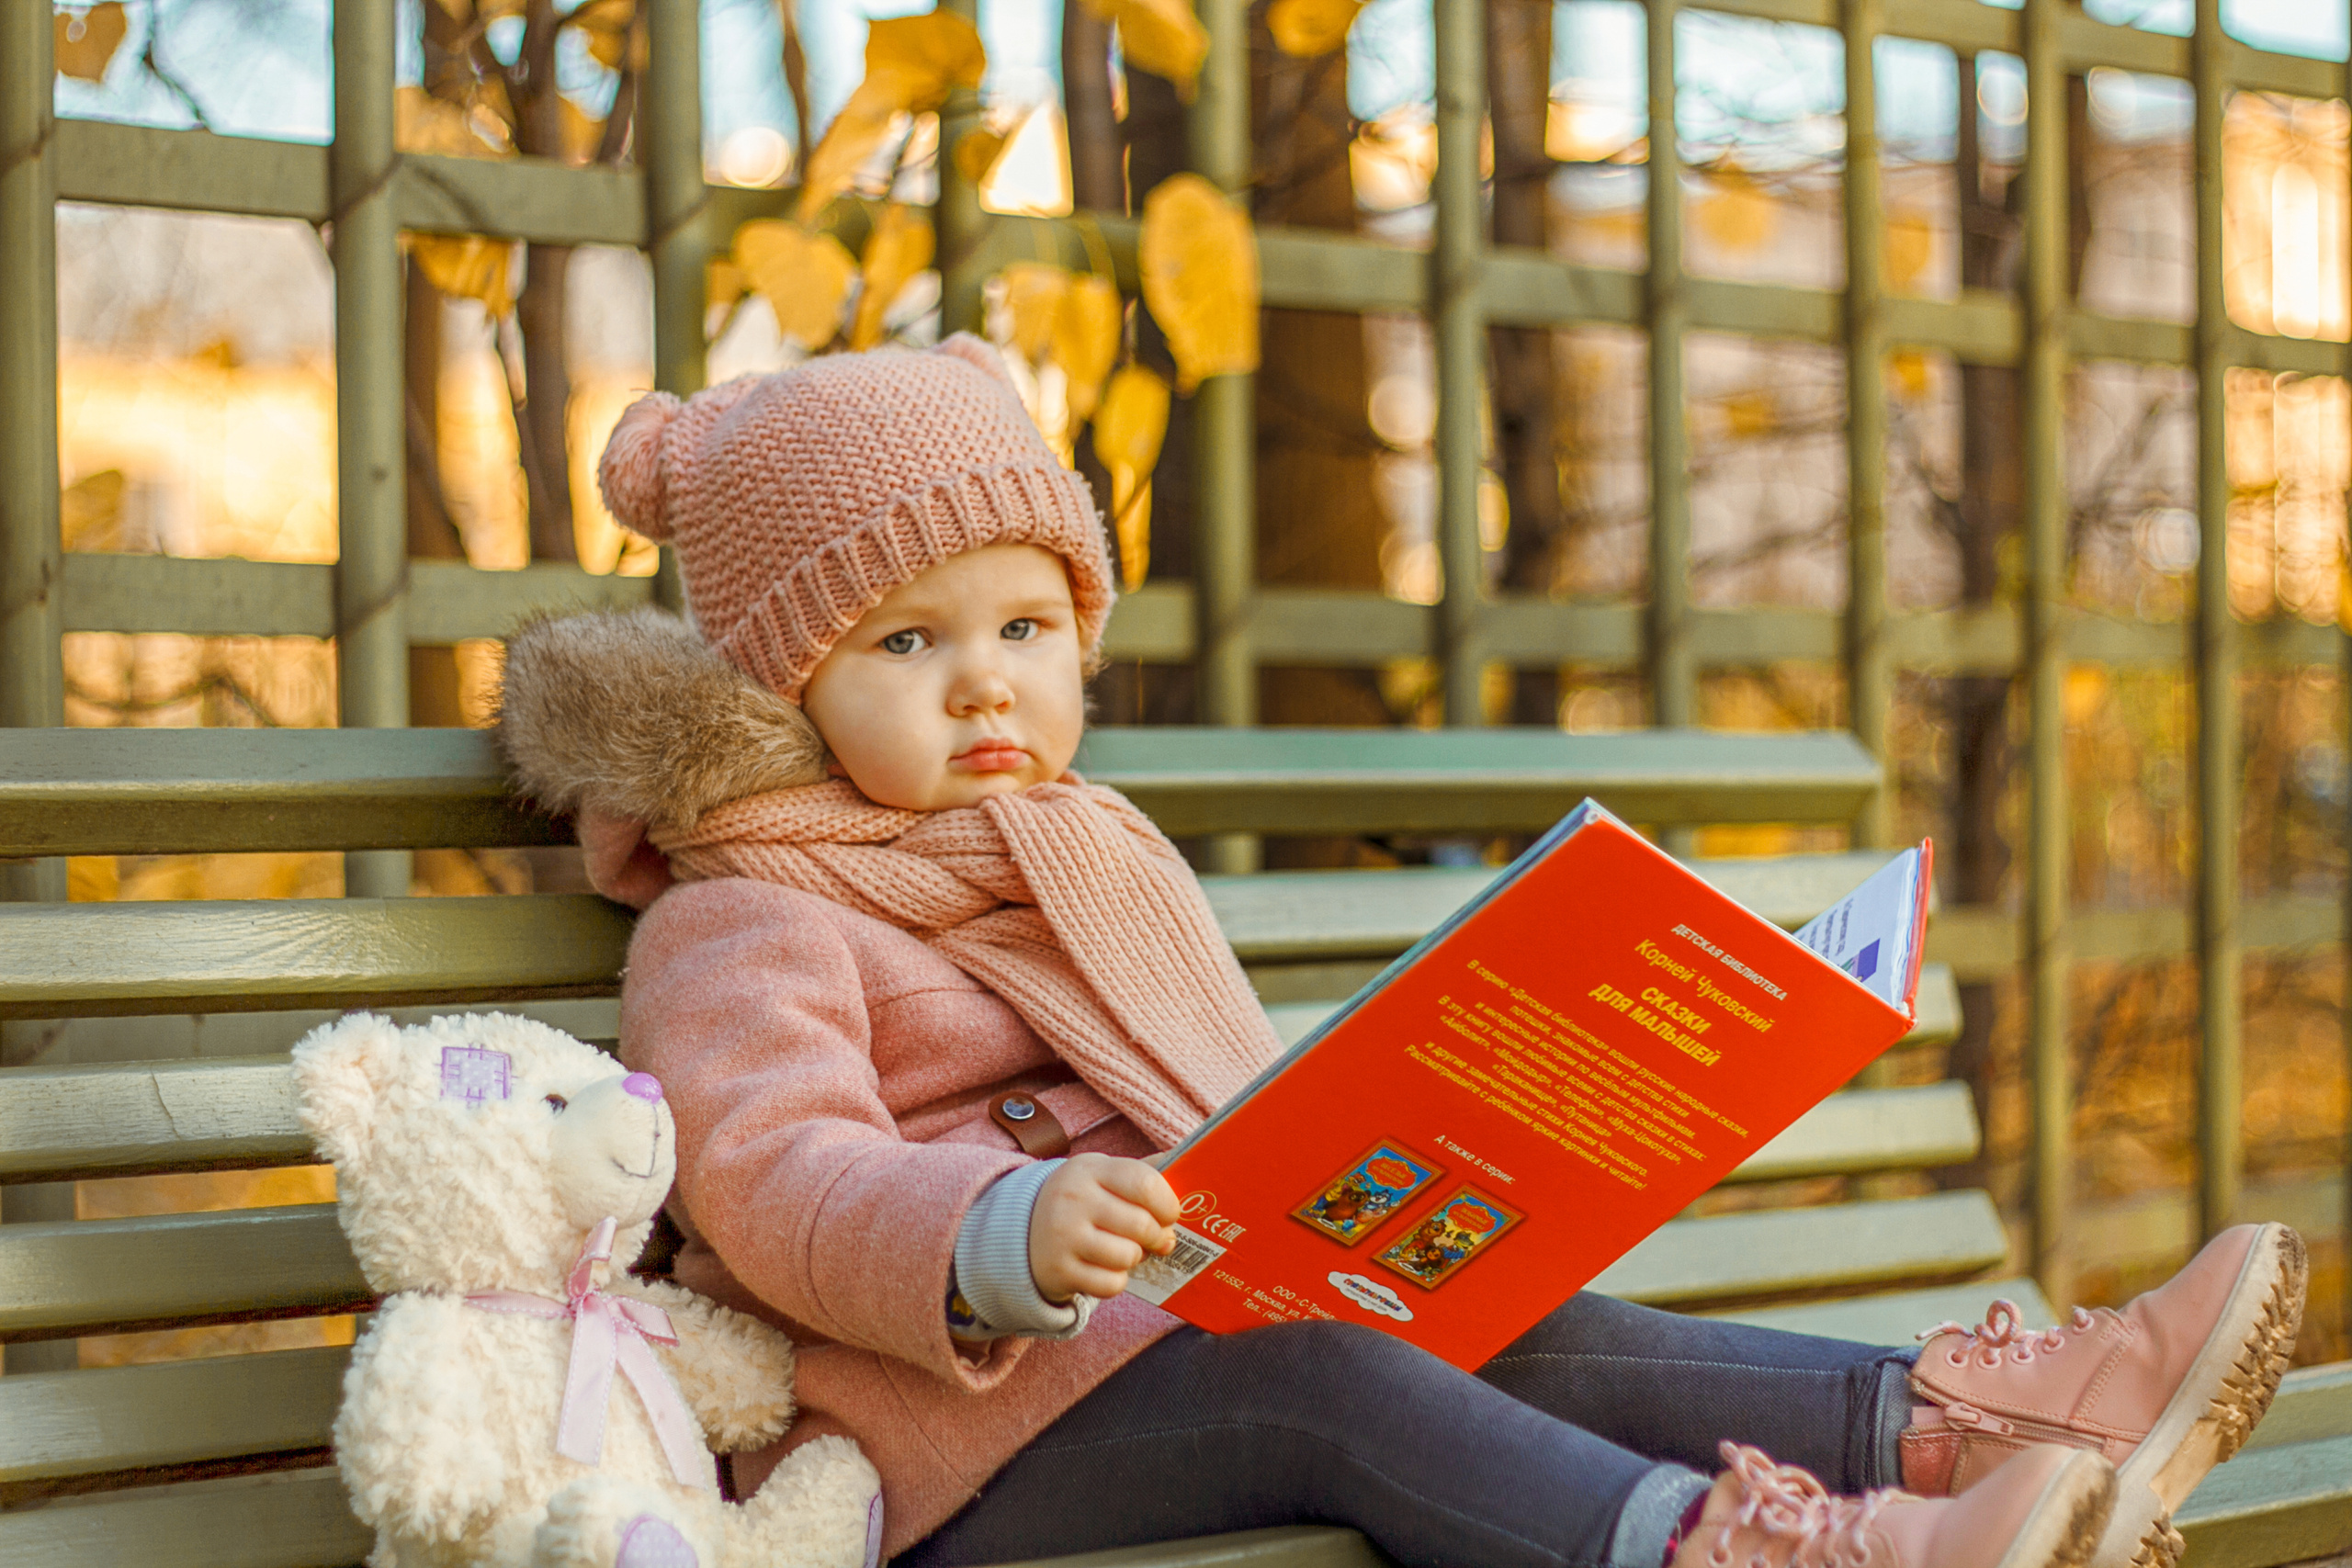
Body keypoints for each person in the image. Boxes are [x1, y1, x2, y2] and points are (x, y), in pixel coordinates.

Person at [496, 338, 2306, 1568]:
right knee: (1329, 1379)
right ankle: (1741, 1547)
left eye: (1028, 623)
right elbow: (769, 1170)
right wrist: (992, 1236)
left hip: (1180, 1338)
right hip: (943, 1448)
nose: (985, 677)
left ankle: (1963, 1427)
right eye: (903, 637)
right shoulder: (744, 906)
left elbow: (1218, 1103)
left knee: (1499, 1312)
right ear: (781, 680)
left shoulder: (1083, 843)